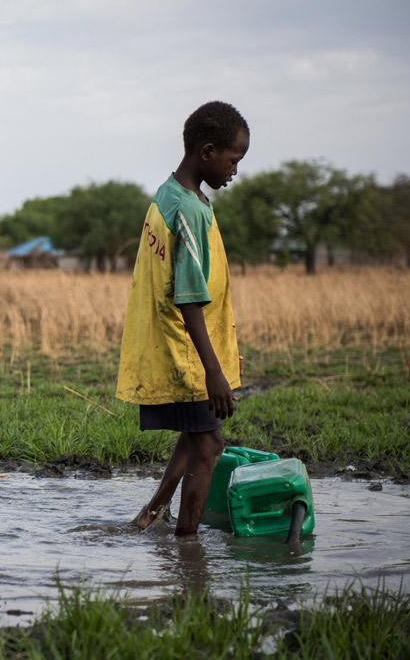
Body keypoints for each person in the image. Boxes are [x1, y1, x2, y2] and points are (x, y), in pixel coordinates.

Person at [115, 101, 249, 536]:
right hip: (185, 352)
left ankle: (151, 513)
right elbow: (190, 298)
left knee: (196, 435)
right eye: (234, 160)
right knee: (209, 445)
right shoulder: (188, 211)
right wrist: (213, 370)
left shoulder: (170, 194)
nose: (235, 170)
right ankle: (188, 549)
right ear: (207, 151)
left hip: (183, 346)